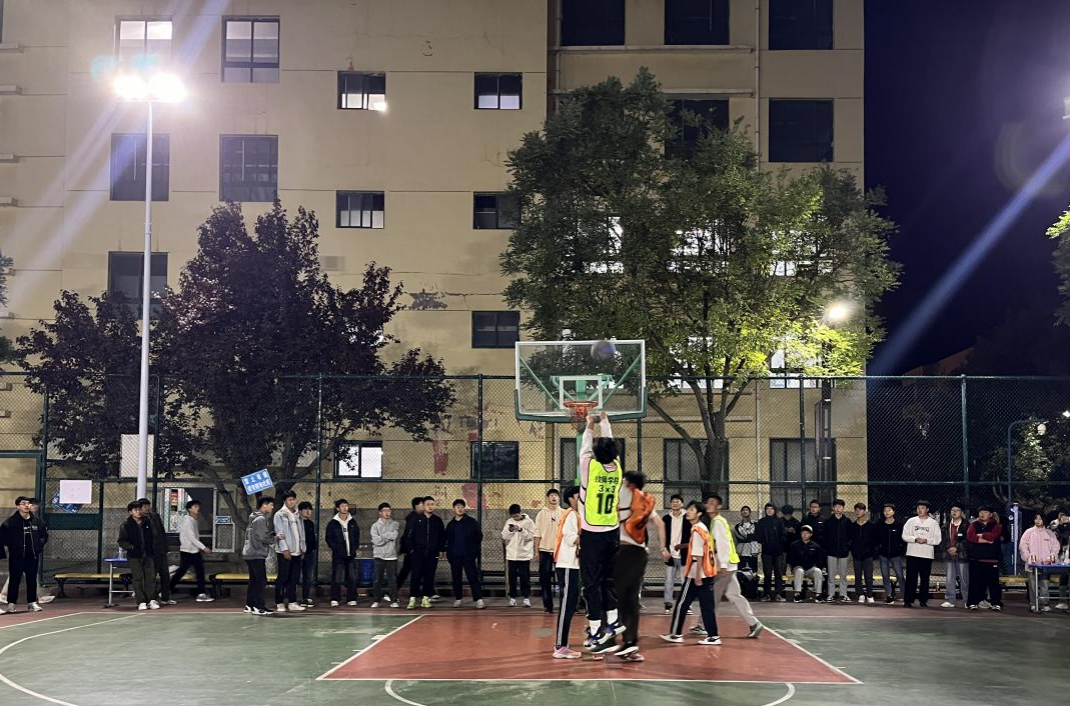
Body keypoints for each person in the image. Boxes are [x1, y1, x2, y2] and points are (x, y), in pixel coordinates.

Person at [578, 412, 624, 654]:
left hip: (592, 532)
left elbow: (585, 447)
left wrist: (589, 425)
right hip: (612, 531)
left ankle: (595, 631)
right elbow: (608, 445)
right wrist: (605, 422)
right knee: (609, 579)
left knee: (591, 584)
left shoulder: (590, 467)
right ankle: (613, 620)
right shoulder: (617, 469)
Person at [612, 471, 668, 661]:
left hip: (622, 551)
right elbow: (660, 524)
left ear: (628, 483)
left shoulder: (623, 493)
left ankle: (609, 638)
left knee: (616, 596)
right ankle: (630, 643)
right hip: (640, 553)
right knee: (631, 600)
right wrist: (663, 548)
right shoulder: (644, 500)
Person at [699, 493, 763, 638]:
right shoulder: (716, 521)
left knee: (713, 597)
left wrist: (722, 565)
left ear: (719, 506)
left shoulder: (718, 522)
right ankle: (754, 623)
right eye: (707, 502)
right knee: (734, 595)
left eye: (712, 502)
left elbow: (724, 545)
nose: (708, 505)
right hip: (730, 565)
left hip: (725, 567)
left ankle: (702, 624)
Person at [661, 501, 720, 646]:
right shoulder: (703, 528)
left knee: (682, 604)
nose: (688, 511)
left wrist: (697, 575)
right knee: (707, 606)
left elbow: (698, 554)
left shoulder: (696, 529)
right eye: (688, 509)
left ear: (699, 513)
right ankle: (713, 636)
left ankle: (676, 634)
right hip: (707, 573)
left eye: (692, 509)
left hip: (696, 574)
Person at [0, 496, 47, 613]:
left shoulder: (38, 521)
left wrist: (38, 546)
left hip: (32, 556)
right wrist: (14, 546)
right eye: (23, 503)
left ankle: (32, 602)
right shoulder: (10, 522)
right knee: (14, 579)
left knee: (32, 579)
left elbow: (44, 536)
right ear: (18, 506)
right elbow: (3, 537)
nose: (26, 505)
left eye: (28, 503)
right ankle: (11, 604)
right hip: (16, 557)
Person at [552, 486, 583, 659]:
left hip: (573, 565)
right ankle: (560, 646)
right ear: (571, 498)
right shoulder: (571, 514)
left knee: (571, 604)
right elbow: (572, 538)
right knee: (566, 604)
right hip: (567, 565)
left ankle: (562, 644)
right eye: (579, 496)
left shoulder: (577, 515)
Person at [117, 501, 159, 611]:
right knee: (138, 578)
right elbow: (121, 541)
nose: (138, 512)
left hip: (148, 555)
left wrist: (153, 548)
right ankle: (141, 601)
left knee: (151, 577)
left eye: (140, 509)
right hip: (134, 556)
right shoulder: (125, 525)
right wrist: (131, 547)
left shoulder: (148, 522)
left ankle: (152, 600)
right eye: (135, 510)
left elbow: (155, 536)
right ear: (130, 512)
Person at [405, 496, 445, 609]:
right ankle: (412, 599)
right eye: (428, 504)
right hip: (418, 553)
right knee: (416, 575)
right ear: (423, 506)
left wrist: (441, 549)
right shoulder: (415, 520)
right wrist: (412, 550)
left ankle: (425, 599)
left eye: (432, 504)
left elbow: (442, 536)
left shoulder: (437, 520)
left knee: (429, 576)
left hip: (432, 553)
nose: (430, 506)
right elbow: (409, 536)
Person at [170, 500, 213, 602]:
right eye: (195, 507)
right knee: (182, 571)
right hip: (187, 551)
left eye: (198, 506)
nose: (198, 508)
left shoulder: (193, 520)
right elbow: (192, 537)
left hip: (194, 551)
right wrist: (203, 547)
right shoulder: (188, 521)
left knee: (199, 571)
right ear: (189, 509)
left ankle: (201, 593)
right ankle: (166, 589)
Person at [445, 498, 484, 609]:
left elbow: (479, 536)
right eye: (458, 507)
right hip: (455, 556)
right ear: (453, 509)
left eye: (462, 507)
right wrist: (450, 555)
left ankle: (478, 599)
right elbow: (447, 540)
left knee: (473, 577)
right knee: (456, 578)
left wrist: (474, 551)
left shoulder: (471, 522)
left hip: (468, 555)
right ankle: (458, 599)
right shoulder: (450, 525)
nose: (460, 509)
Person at [242, 496, 278, 616]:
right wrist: (275, 538)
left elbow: (257, 534)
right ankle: (258, 606)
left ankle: (250, 605)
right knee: (261, 580)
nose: (272, 507)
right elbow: (263, 537)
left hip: (249, 552)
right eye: (271, 505)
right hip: (256, 553)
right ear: (264, 505)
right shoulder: (261, 519)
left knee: (254, 580)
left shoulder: (253, 517)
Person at [902, 500, 941, 608]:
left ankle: (923, 600)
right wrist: (915, 539)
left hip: (926, 555)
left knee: (925, 579)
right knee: (911, 578)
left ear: (927, 510)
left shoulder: (933, 523)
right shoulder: (911, 521)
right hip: (912, 554)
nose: (920, 510)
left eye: (922, 508)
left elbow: (937, 539)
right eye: (918, 508)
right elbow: (904, 536)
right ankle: (908, 600)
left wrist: (926, 540)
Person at [273, 491, 307, 613]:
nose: (292, 502)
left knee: (294, 578)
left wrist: (302, 547)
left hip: (297, 552)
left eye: (294, 499)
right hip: (285, 552)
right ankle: (279, 602)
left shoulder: (298, 514)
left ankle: (292, 602)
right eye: (289, 500)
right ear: (285, 501)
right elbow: (279, 533)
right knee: (283, 577)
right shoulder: (279, 515)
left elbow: (301, 532)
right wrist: (284, 549)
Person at [1020, 512, 1060, 612]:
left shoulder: (1049, 533)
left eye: (1040, 519)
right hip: (1032, 565)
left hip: (1045, 565)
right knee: (1032, 586)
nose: (1037, 521)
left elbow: (1055, 547)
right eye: (1036, 519)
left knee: (1044, 585)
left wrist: (1051, 557)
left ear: (1043, 520)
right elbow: (1023, 546)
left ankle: (1045, 603)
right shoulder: (1028, 532)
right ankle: (1033, 604)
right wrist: (1028, 558)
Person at [966, 505, 1003, 611]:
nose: (982, 514)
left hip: (992, 558)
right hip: (976, 558)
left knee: (993, 583)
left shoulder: (996, 525)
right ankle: (973, 603)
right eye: (981, 512)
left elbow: (994, 536)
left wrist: (981, 535)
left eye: (985, 512)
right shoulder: (973, 524)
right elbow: (970, 537)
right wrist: (987, 540)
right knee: (974, 582)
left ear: (990, 514)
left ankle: (996, 603)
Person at [137, 498, 173, 606]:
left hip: (160, 550)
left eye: (148, 506)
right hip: (150, 553)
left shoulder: (155, 516)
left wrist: (166, 547)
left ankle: (165, 597)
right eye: (144, 506)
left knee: (165, 575)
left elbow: (162, 531)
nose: (147, 508)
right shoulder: (139, 519)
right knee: (151, 576)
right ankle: (151, 598)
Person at [325, 498, 360, 607]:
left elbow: (357, 536)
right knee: (337, 577)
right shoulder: (333, 523)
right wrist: (337, 548)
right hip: (338, 555)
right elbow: (329, 538)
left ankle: (351, 598)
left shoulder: (352, 521)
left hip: (351, 555)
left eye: (346, 505)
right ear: (337, 508)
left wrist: (354, 547)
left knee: (352, 577)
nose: (345, 508)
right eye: (342, 506)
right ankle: (335, 598)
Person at [533, 488, 562, 614]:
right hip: (544, 550)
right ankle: (548, 606)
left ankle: (564, 605)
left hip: (560, 550)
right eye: (551, 495)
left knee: (562, 579)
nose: (554, 498)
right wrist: (536, 551)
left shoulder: (564, 513)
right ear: (547, 498)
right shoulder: (541, 514)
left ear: (559, 498)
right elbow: (537, 533)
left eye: (556, 495)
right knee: (545, 579)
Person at [502, 503, 535, 607]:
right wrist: (510, 530)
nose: (515, 518)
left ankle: (526, 598)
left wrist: (521, 530)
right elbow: (504, 536)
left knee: (524, 578)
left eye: (516, 515)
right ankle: (512, 598)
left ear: (520, 513)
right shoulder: (509, 522)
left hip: (524, 555)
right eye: (513, 516)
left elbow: (531, 536)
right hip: (512, 555)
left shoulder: (529, 522)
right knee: (512, 578)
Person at [370, 502, 400, 609]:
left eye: (389, 510)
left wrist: (382, 536)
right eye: (385, 510)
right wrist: (387, 536)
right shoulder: (374, 526)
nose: (387, 512)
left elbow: (394, 535)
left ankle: (394, 600)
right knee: (378, 580)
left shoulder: (395, 524)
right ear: (380, 512)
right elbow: (376, 541)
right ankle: (376, 600)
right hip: (379, 556)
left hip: (391, 556)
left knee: (392, 580)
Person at [822, 499, 853, 602]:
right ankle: (830, 594)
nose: (838, 508)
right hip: (831, 552)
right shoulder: (828, 521)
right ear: (833, 508)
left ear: (843, 508)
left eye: (840, 507)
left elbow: (851, 536)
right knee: (831, 575)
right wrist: (828, 547)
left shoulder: (847, 521)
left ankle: (843, 594)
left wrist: (847, 546)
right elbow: (825, 536)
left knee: (843, 575)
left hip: (844, 553)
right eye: (836, 506)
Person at [756, 503, 787, 602]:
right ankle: (767, 594)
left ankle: (778, 594)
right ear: (765, 510)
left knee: (779, 573)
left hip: (778, 552)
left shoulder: (779, 521)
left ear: (775, 510)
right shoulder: (762, 522)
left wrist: (780, 544)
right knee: (767, 573)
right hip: (767, 552)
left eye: (771, 508)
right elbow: (758, 535)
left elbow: (783, 534)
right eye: (767, 509)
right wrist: (763, 542)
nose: (769, 510)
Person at [941, 502, 970, 608]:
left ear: (961, 512)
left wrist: (957, 548)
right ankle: (950, 600)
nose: (954, 512)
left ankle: (967, 600)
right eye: (952, 510)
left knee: (964, 579)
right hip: (949, 555)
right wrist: (948, 549)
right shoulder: (946, 525)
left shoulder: (967, 525)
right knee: (949, 579)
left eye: (957, 510)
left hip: (962, 555)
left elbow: (969, 540)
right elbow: (942, 540)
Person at [876, 503, 906, 604]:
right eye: (885, 510)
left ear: (893, 512)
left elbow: (902, 540)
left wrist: (900, 550)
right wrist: (879, 548)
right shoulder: (880, 525)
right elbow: (876, 538)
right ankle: (889, 596)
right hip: (883, 555)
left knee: (900, 575)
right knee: (885, 576)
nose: (887, 512)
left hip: (895, 555)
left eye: (889, 510)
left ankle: (904, 595)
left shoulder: (899, 525)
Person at [662, 494, 687, 614]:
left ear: (682, 504)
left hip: (684, 553)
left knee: (684, 581)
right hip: (670, 554)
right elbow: (662, 535)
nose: (675, 503)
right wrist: (664, 549)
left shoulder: (687, 517)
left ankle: (686, 604)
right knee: (668, 581)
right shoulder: (666, 518)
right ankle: (668, 603)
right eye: (673, 502)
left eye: (677, 501)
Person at [788, 525, 827, 602]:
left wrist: (817, 566)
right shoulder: (794, 545)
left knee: (818, 571)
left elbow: (819, 560)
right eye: (803, 533)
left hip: (810, 568)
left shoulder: (816, 546)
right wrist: (794, 567)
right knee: (799, 571)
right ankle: (797, 594)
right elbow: (790, 559)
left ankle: (818, 595)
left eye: (807, 533)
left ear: (811, 534)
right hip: (798, 568)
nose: (804, 535)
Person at [396, 497, 425, 592]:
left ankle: (395, 590)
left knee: (408, 570)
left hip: (411, 549)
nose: (424, 506)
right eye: (422, 504)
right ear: (416, 506)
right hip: (412, 550)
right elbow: (408, 535)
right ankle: (394, 591)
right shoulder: (414, 518)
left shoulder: (417, 517)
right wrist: (411, 549)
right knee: (408, 570)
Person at [850, 503, 876, 604]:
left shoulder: (871, 526)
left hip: (868, 556)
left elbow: (874, 541)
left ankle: (870, 595)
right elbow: (850, 540)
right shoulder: (853, 526)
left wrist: (871, 551)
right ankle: (860, 594)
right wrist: (853, 550)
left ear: (865, 511)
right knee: (858, 576)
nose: (858, 512)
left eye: (860, 510)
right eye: (856, 510)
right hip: (856, 555)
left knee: (868, 576)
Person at [297, 501, 318, 607]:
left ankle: (305, 597)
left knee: (308, 577)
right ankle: (291, 598)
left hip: (310, 553)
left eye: (310, 509)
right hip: (299, 553)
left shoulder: (310, 523)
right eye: (306, 509)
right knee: (295, 576)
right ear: (300, 511)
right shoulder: (296, 522)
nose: (308, 511)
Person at [734, 506, 759, 574]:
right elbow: (739, 537)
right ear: (741, 513)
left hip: (753, 550)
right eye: (743, 510)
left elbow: (757, 536)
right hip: (742, 550)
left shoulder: (756, 524)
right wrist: (751, 536)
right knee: (741, 570)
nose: (745, 511)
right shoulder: (737, 526)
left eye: (746, 510)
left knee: (753, 571)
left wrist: (748, 537)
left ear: (750, 512)